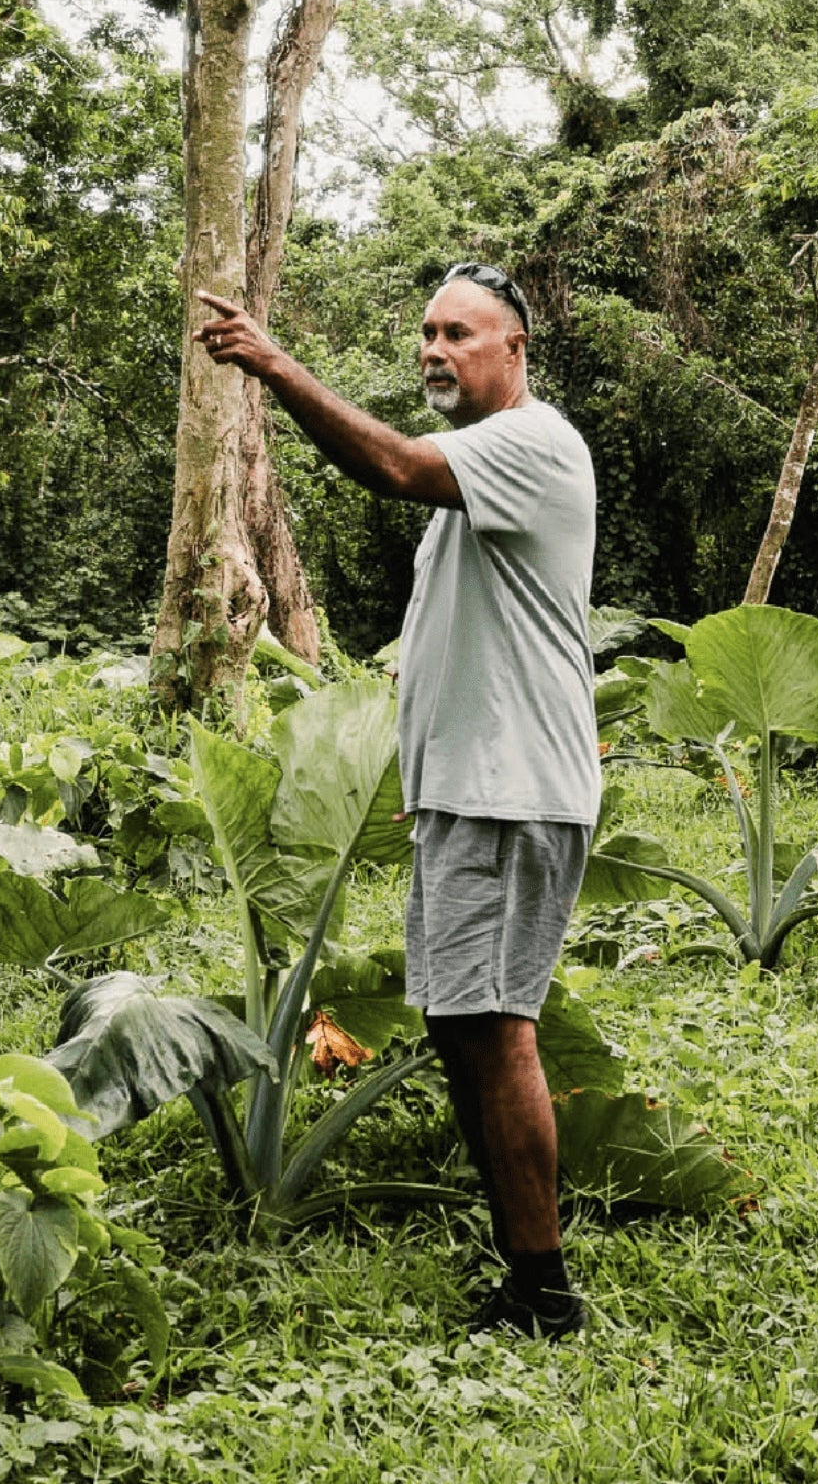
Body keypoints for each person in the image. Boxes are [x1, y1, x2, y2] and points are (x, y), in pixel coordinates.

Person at [198, 261, 600, 1338]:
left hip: (514, 791)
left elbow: (390, 463)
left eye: (459, 333)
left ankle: (543, 1289)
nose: (434, 349)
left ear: (514, 350)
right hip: (468, 793)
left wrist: (275, 364)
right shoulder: (480, 476)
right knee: (463, 1019)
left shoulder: (533, 444)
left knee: (498, 1026)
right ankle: (522, 1260)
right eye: (426, 331)